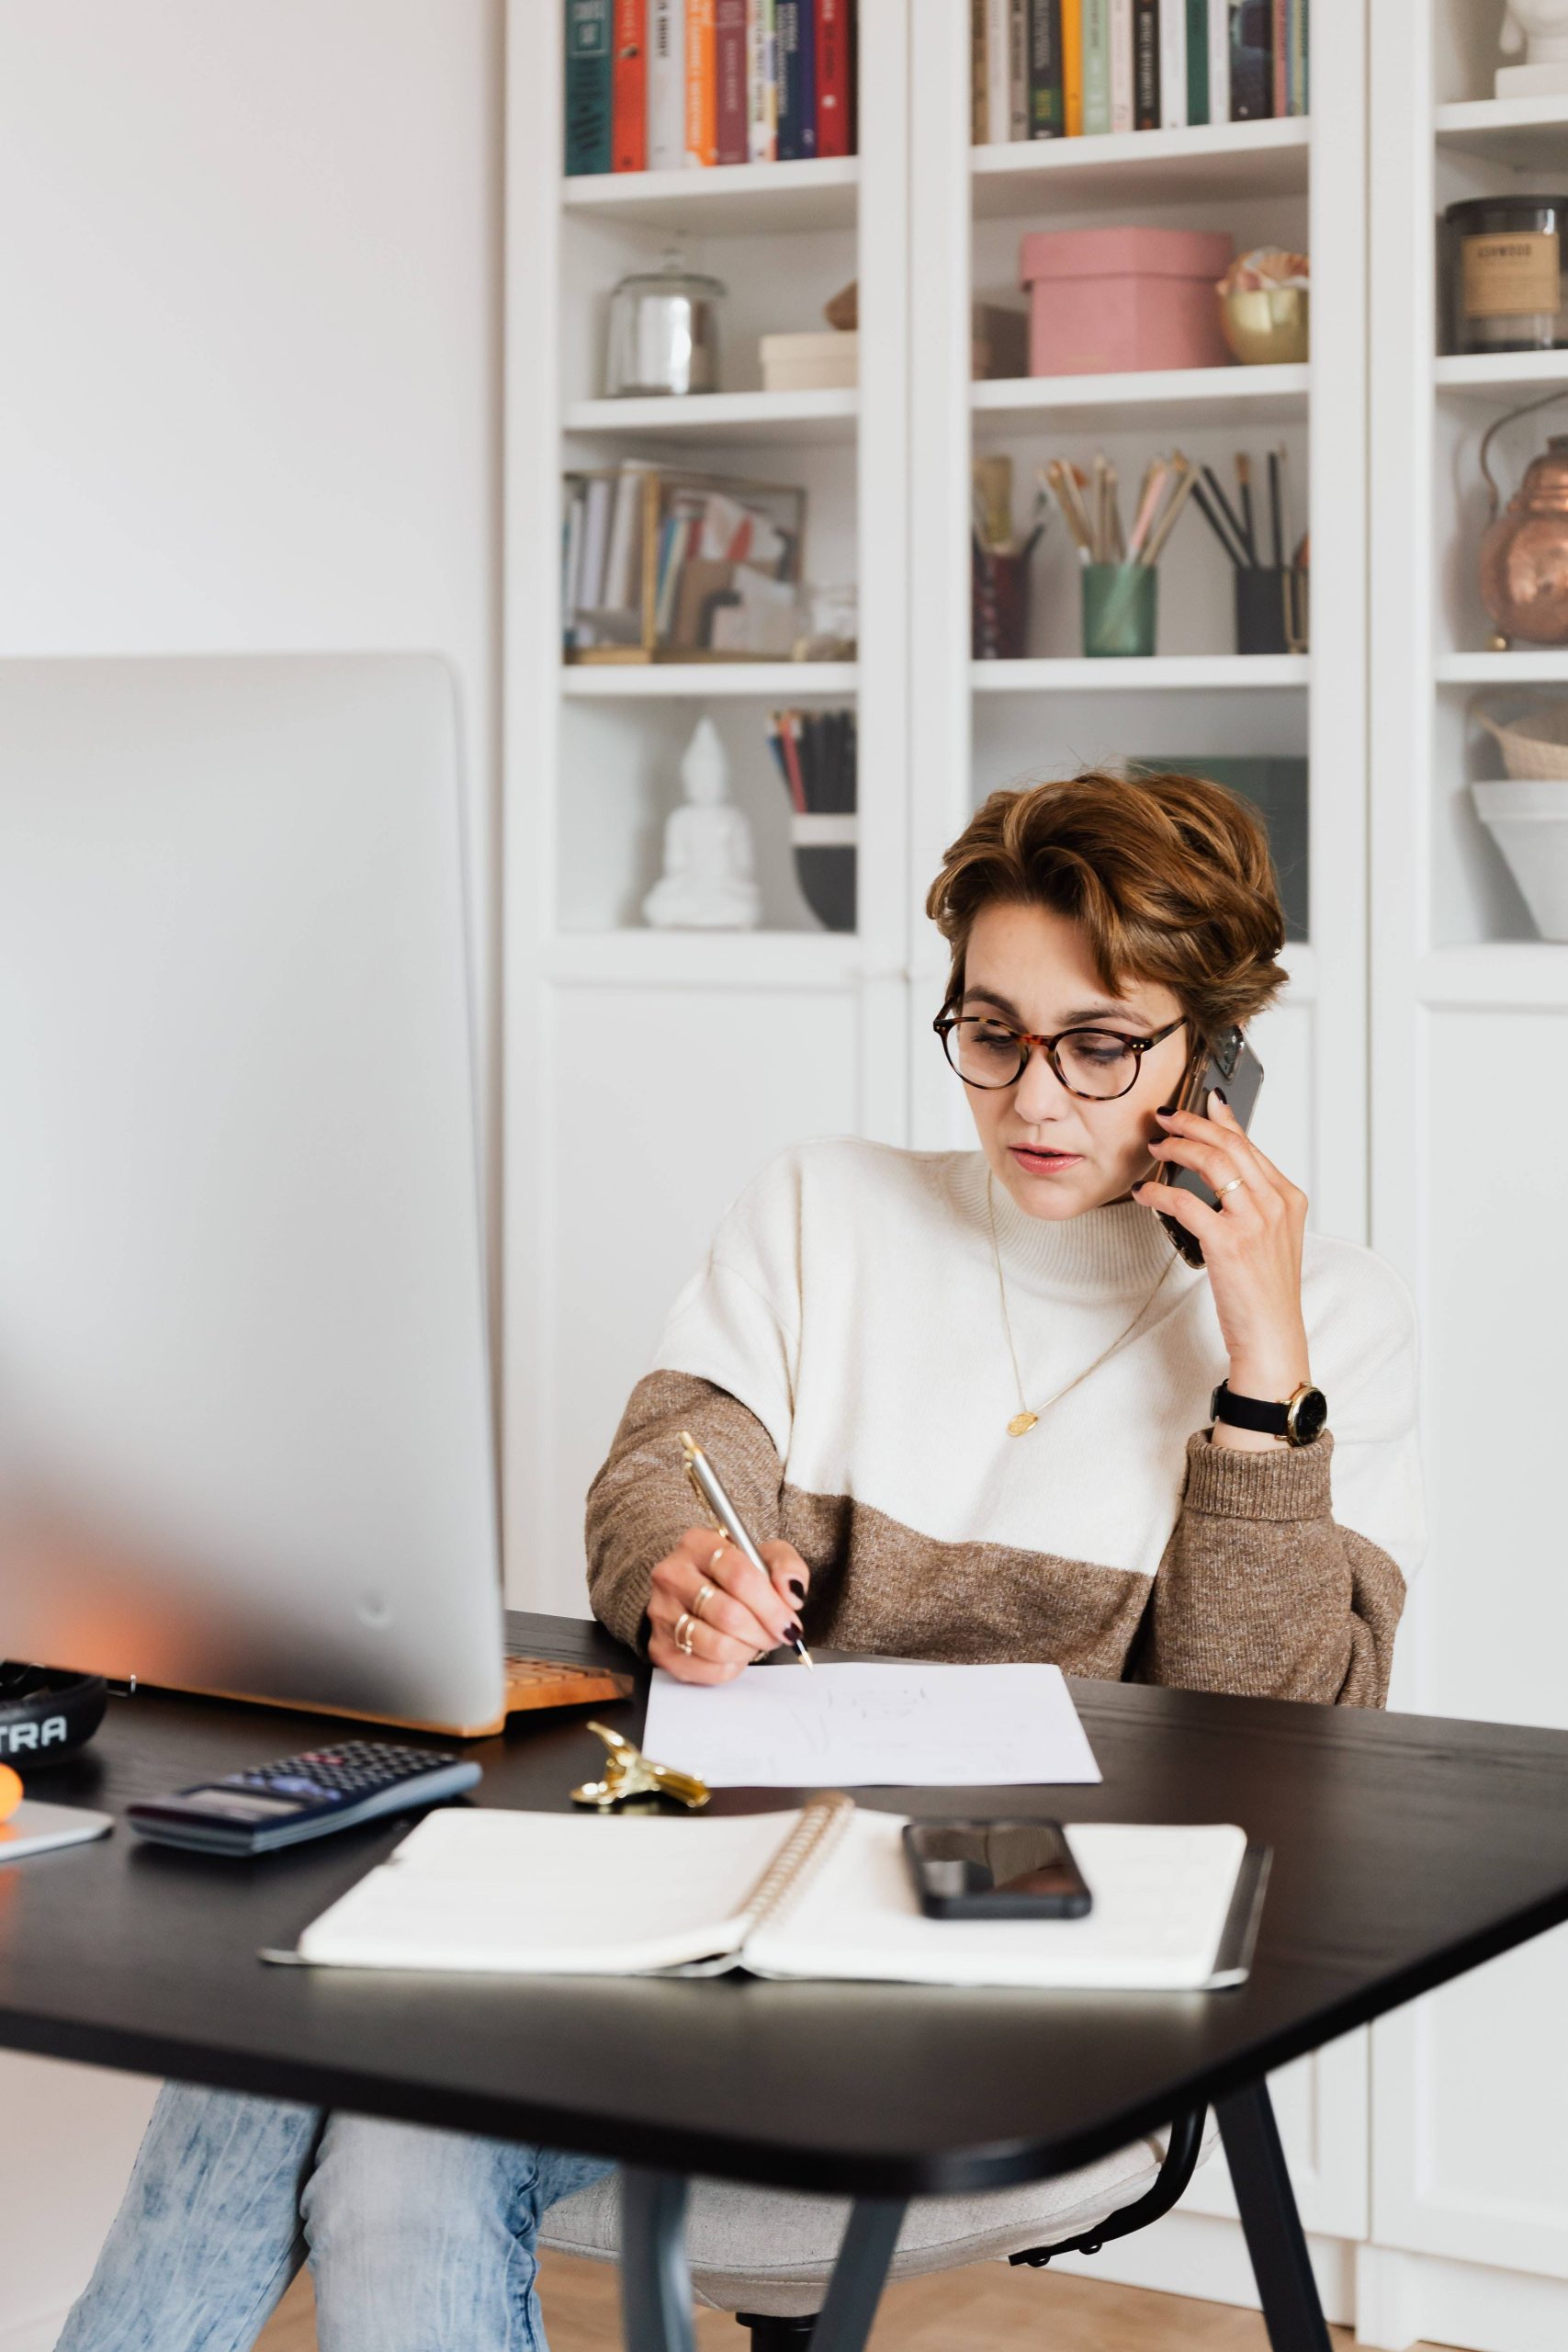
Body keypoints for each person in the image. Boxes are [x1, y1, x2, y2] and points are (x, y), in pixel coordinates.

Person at [56, 772, 1422, 2352]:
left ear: (1220, 1051)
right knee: (311, 2016)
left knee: (381, 2115)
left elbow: (1280, 1748)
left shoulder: (1336, 1326)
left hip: (1035, 1987)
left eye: (1102, 1045)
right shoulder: (822, 1209)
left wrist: (1261, 1373)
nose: (1036, 1101)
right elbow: (666, 1466)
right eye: (991, 1034)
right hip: (698, 1906)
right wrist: (684, 1565)